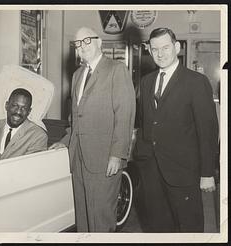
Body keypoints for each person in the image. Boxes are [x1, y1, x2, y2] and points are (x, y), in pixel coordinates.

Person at [49, 27, 136, 232]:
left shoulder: (116, 69)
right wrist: (63, 143)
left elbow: (125, 116)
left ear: (99, 42)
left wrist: (117, 154)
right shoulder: (78, 75)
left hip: (104, 159)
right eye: (78, 43)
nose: (82, 46)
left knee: (101, 220)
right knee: (83, 219)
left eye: (87, 41)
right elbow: (75, 121)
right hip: (78, 159)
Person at [133, 27, 219, 232]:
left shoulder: (196, 82)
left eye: (165, 47)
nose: (160, 54)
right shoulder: (146, 82)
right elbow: (147, 123)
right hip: (151, 172)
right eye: (154, 49)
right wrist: (141, 158)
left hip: (184, 173)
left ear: (177, 47)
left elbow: (208, 130)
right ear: (149, 51)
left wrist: (207, 173)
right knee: (157, 228)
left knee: (189, 228)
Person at [0, 88, 48, 160]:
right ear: (7, 105)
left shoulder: (38, 136)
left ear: (29, 111)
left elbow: (30, 168)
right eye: (15, 106)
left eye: (24, 108)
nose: (18, 112)